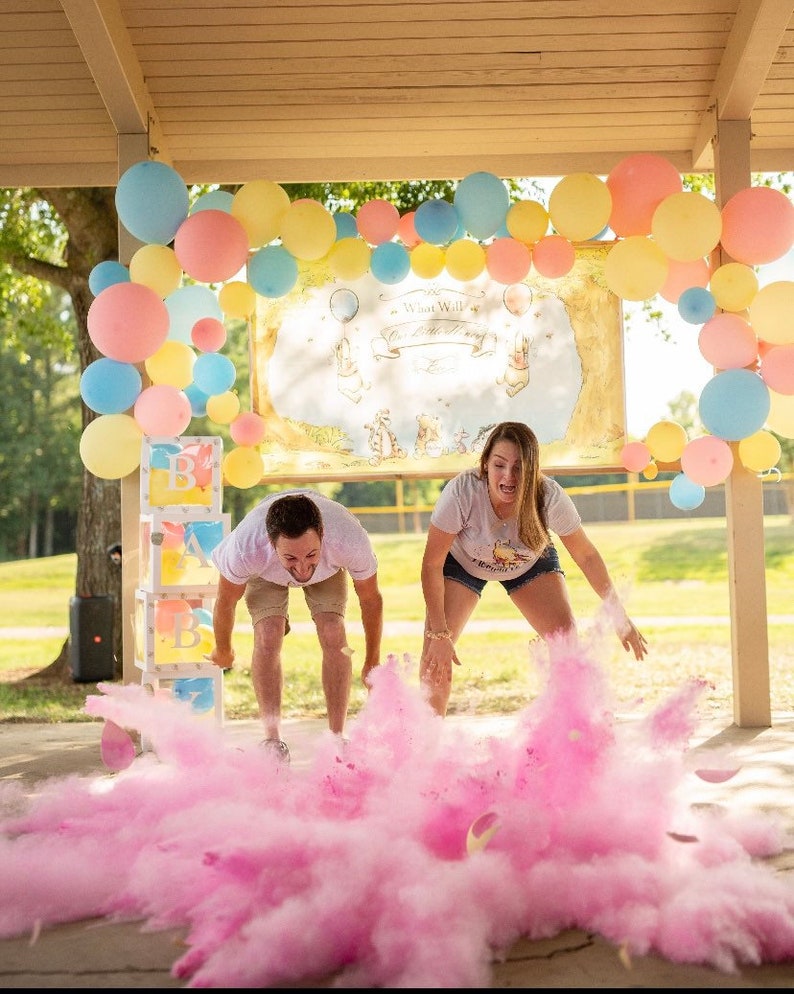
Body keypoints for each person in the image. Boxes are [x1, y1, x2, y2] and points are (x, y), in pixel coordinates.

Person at [420, 421, 648, 716]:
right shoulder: (463, 491)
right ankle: (424, 743)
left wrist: (619, 616)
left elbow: (586, 555)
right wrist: (439, 634)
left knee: (565, 639)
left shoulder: (548, 496)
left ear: (533, 469)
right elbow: (431, 564)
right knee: (434, 656)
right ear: (485, 464)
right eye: (500, 465)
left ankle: (566, 733)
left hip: (527, 561)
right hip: (464, 563)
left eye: (519, 467)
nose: (508, 476)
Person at [209, 490, 383, 760]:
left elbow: (371, 600)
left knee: (333, 630)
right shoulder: (247, 547)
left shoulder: (348, 537)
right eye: (291, 558)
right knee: (269, 632)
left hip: (328, 569)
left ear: (323, 534)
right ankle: (272, 741)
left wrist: (372, 659)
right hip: (266, 573)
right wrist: (223, 649)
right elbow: (225, 601)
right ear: (270, 542)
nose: (302, 569)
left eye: (310, 554)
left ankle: (336, 739)